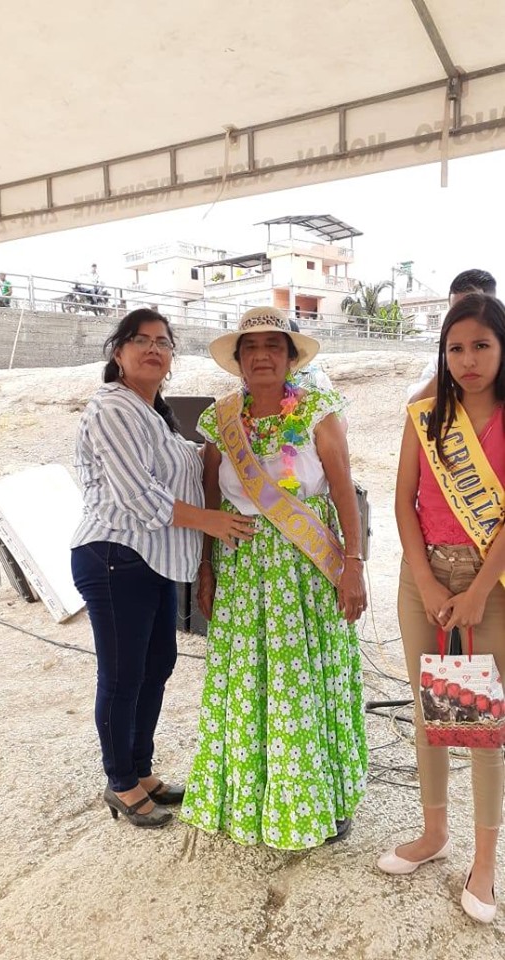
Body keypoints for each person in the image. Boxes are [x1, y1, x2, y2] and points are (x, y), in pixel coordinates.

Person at [180, 307, 368, 849]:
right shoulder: (221, 419)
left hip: (307, 571)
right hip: (242, 568)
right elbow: (211, 496)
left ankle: (321, 800)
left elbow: (343, 491)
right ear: (239, 359)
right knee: (249, 681)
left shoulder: (317, 411)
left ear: (290, 357)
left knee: (304, 681)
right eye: (251, 347)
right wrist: (206, 567)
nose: (262, 355)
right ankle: (254, 800)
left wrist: (353, 565)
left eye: (273, 346)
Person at [70, 308, 254, 830]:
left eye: (163, 342)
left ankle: (141, 769)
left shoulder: (155, 414)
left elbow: (197, 464)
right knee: (123, 673)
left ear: (172, 357)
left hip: (151, 560)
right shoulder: (113, 407)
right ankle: (120, 781)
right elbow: (139, 496)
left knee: (156, 665)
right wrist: (212, 521)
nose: (153, 349)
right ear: (118, 352)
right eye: (141, 340)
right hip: (115, 556)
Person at [378, 293, 505, 924]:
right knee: (430, 710)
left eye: (481, 345)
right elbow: (403, 499)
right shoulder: (425, 416)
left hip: (492, 583)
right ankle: (434, 834)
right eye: (456, 347)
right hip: (422, 580)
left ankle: (485, 862)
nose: (468, 359)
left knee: (481, 721)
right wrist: (426, 583)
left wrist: (477, 591)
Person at [408, 270, 497, 402]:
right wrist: (446, 372)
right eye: (455, 312)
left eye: (469, 311)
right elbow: (414, 404)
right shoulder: (441, 362)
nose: (460, 319)